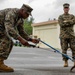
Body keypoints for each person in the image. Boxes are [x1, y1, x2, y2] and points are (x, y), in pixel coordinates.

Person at [0, 4, 39, 72]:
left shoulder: (20, 19)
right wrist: (20, 39)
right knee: (7, 40)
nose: (27, 16)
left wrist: (30, 39)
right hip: (1, 28)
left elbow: (21, 32)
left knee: (10, 42)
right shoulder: (12, 14)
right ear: (22, 10)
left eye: (28, 15)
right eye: (26, 14)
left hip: (2, 28)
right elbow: (9, 28)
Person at [58, 3, 75, 67]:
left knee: (74, 48)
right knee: (64, 49)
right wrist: (69, 22)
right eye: (65, 8)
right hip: (63, 35)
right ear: (63, 9)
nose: (66, 9)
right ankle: (65, 62)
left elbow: (73, 22)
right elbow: (61, 24)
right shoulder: (60, 17)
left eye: (67, 8)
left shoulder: (72, 16)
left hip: (71, 35)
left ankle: (74, 62)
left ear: (69, 8)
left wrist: (66, 21)